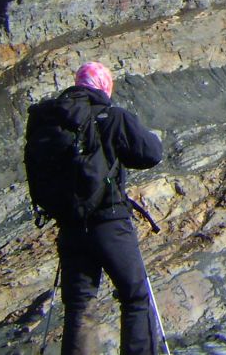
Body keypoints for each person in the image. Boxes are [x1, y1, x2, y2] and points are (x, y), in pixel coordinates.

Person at [50, 62, 164, 354]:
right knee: (135, 296)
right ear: (104, 85)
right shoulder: (112, 116)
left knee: (79, 306)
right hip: (110, 223)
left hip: (71, 227)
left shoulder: (57, 122)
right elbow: (150, 153)